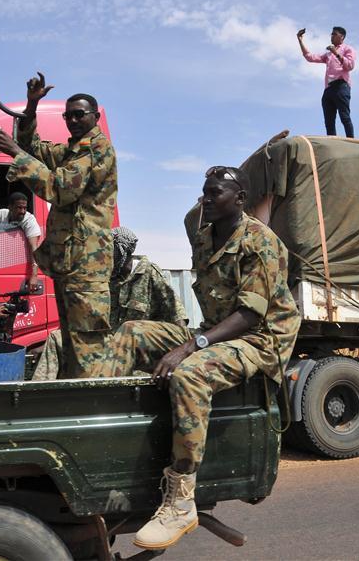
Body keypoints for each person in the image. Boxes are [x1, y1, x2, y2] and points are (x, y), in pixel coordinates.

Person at [106, 166, 301, 550]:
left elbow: (250, 315)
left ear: (240, 199)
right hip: (218, 329)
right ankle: (108, 435)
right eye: (204, 193)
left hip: (260, 339)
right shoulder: (205, 237)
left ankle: (181, 499)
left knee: (190, 374)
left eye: (215, 193)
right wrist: (194, 339)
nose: (206, 200)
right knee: (132, 332)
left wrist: (190, 347)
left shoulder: (260, 242)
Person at [0, 72, 117, 378]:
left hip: (86, 266)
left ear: (95, 117)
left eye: (79, 115)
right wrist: (32, 106)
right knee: (73, 345)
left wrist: (15, 154)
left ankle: (97, 413)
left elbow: (60, 188)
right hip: (69, 264)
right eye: (67, 115)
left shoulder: (94, 150)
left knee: (88, 346)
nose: (71, 120)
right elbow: (34, 147)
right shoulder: (72, 150)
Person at [32, 226, 187, 380]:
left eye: (110, 252)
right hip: (106, 345)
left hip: (136, 354)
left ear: (124, 253)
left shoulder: (149, 275)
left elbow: (177, 320)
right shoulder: (105, 279)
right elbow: (82, 315)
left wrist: (180, 356)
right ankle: (39, 396)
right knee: (56, 338)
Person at [0, 192, 42, 292]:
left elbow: (34, 248)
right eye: (19, 208)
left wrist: (34, 276)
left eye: (25, 208)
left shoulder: (29, 220)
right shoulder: (1, 215)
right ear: (10, 207)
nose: (22, 211)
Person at [298, 26, 356, 138]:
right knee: (329, 122)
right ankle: (332, 145)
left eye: (334, 34)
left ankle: (352, 142)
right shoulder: (328, 54)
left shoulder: (347, 49)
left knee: (344, 117)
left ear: (342, 37)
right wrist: (300, 41)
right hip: (328, 89)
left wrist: (335, 52)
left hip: (341, 86)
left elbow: (350, 66)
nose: (332, 36)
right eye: (331, 34)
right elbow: (310, 57)